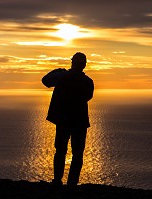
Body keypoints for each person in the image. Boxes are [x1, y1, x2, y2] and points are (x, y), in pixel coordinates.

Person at [42, 52, 94, 187]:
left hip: (63, 120)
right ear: (84, 65)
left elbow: (45, 80)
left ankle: (57, 180)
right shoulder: (88, 81)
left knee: (60, 150)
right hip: (79, 121)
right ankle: (72, 183)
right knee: (77, 153)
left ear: (72, 63)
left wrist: (60, 71)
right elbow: (88, 96)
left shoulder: (62, 76)